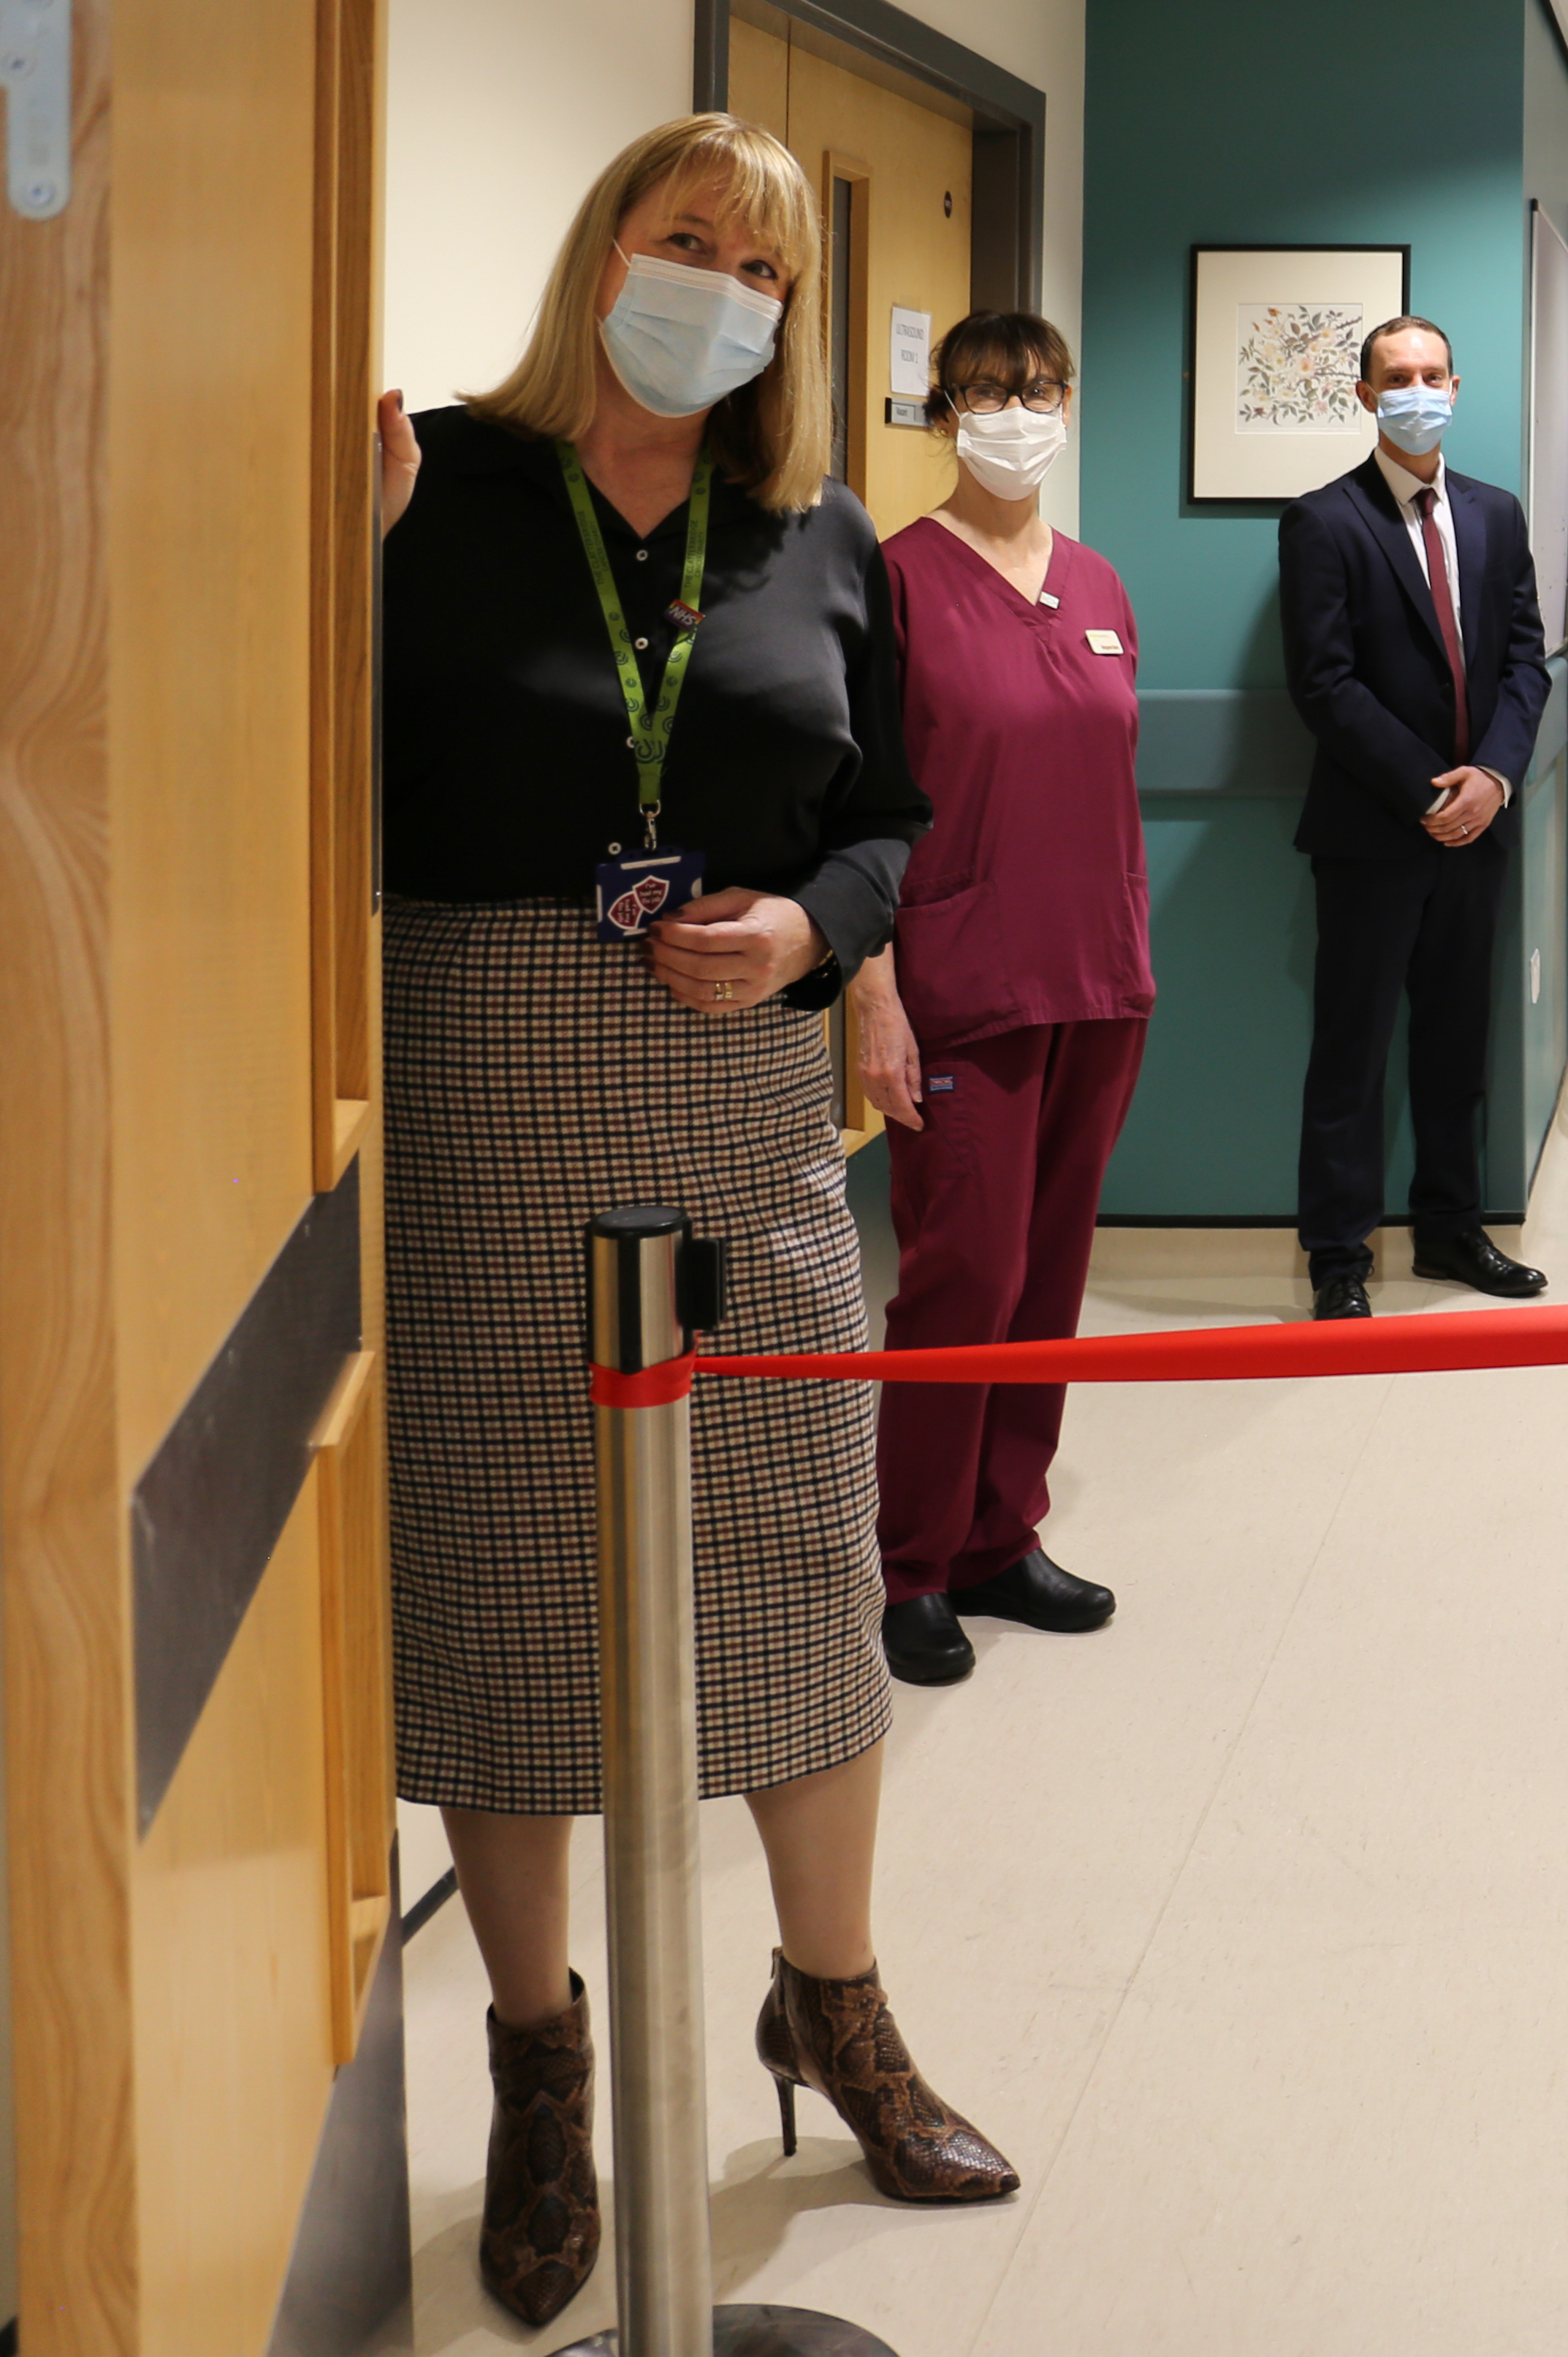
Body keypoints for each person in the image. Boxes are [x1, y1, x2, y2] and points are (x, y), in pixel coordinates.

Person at [373, 114, 1016, 2328]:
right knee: (503, 1577)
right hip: (482, 1090)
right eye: (685, 242)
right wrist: (319, 566)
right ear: (602, 255)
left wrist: (817, 929)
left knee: (791, 1551)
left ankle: (832, 2003)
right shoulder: (431, 493)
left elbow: (888, 822)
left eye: (761, 264)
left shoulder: (816, 531)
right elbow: (296, 779)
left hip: (744, 1099)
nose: (722, 288)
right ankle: (541, 2066)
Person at [845, 310, 1152, 1688]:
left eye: (1035, 389)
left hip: (1095, 973)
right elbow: (853, 803)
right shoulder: (893, 580)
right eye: (981, 391)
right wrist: (877, 995)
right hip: (962, 985)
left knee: (1047, 1276)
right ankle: (910, 1561)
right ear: (940, 411)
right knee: (960, 1279)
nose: (1013, 411)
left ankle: (999, 1533)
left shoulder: (1095, 581)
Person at [1278, 314, 1554, 1321]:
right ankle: (1338, 1257)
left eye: (1433, 373)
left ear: (1457, 385)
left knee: (1455, 1041)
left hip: (1481, 829)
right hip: (1372, 833)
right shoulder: (1322, 520)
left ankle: (1450, 1230)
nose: (1417, 389)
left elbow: (1526, 661)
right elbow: (1324, 683)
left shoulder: (1494, 514)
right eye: (1397, 375)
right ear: (1364, 395)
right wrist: (1433, 787)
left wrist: (1495, 777)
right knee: (1350, 1050)